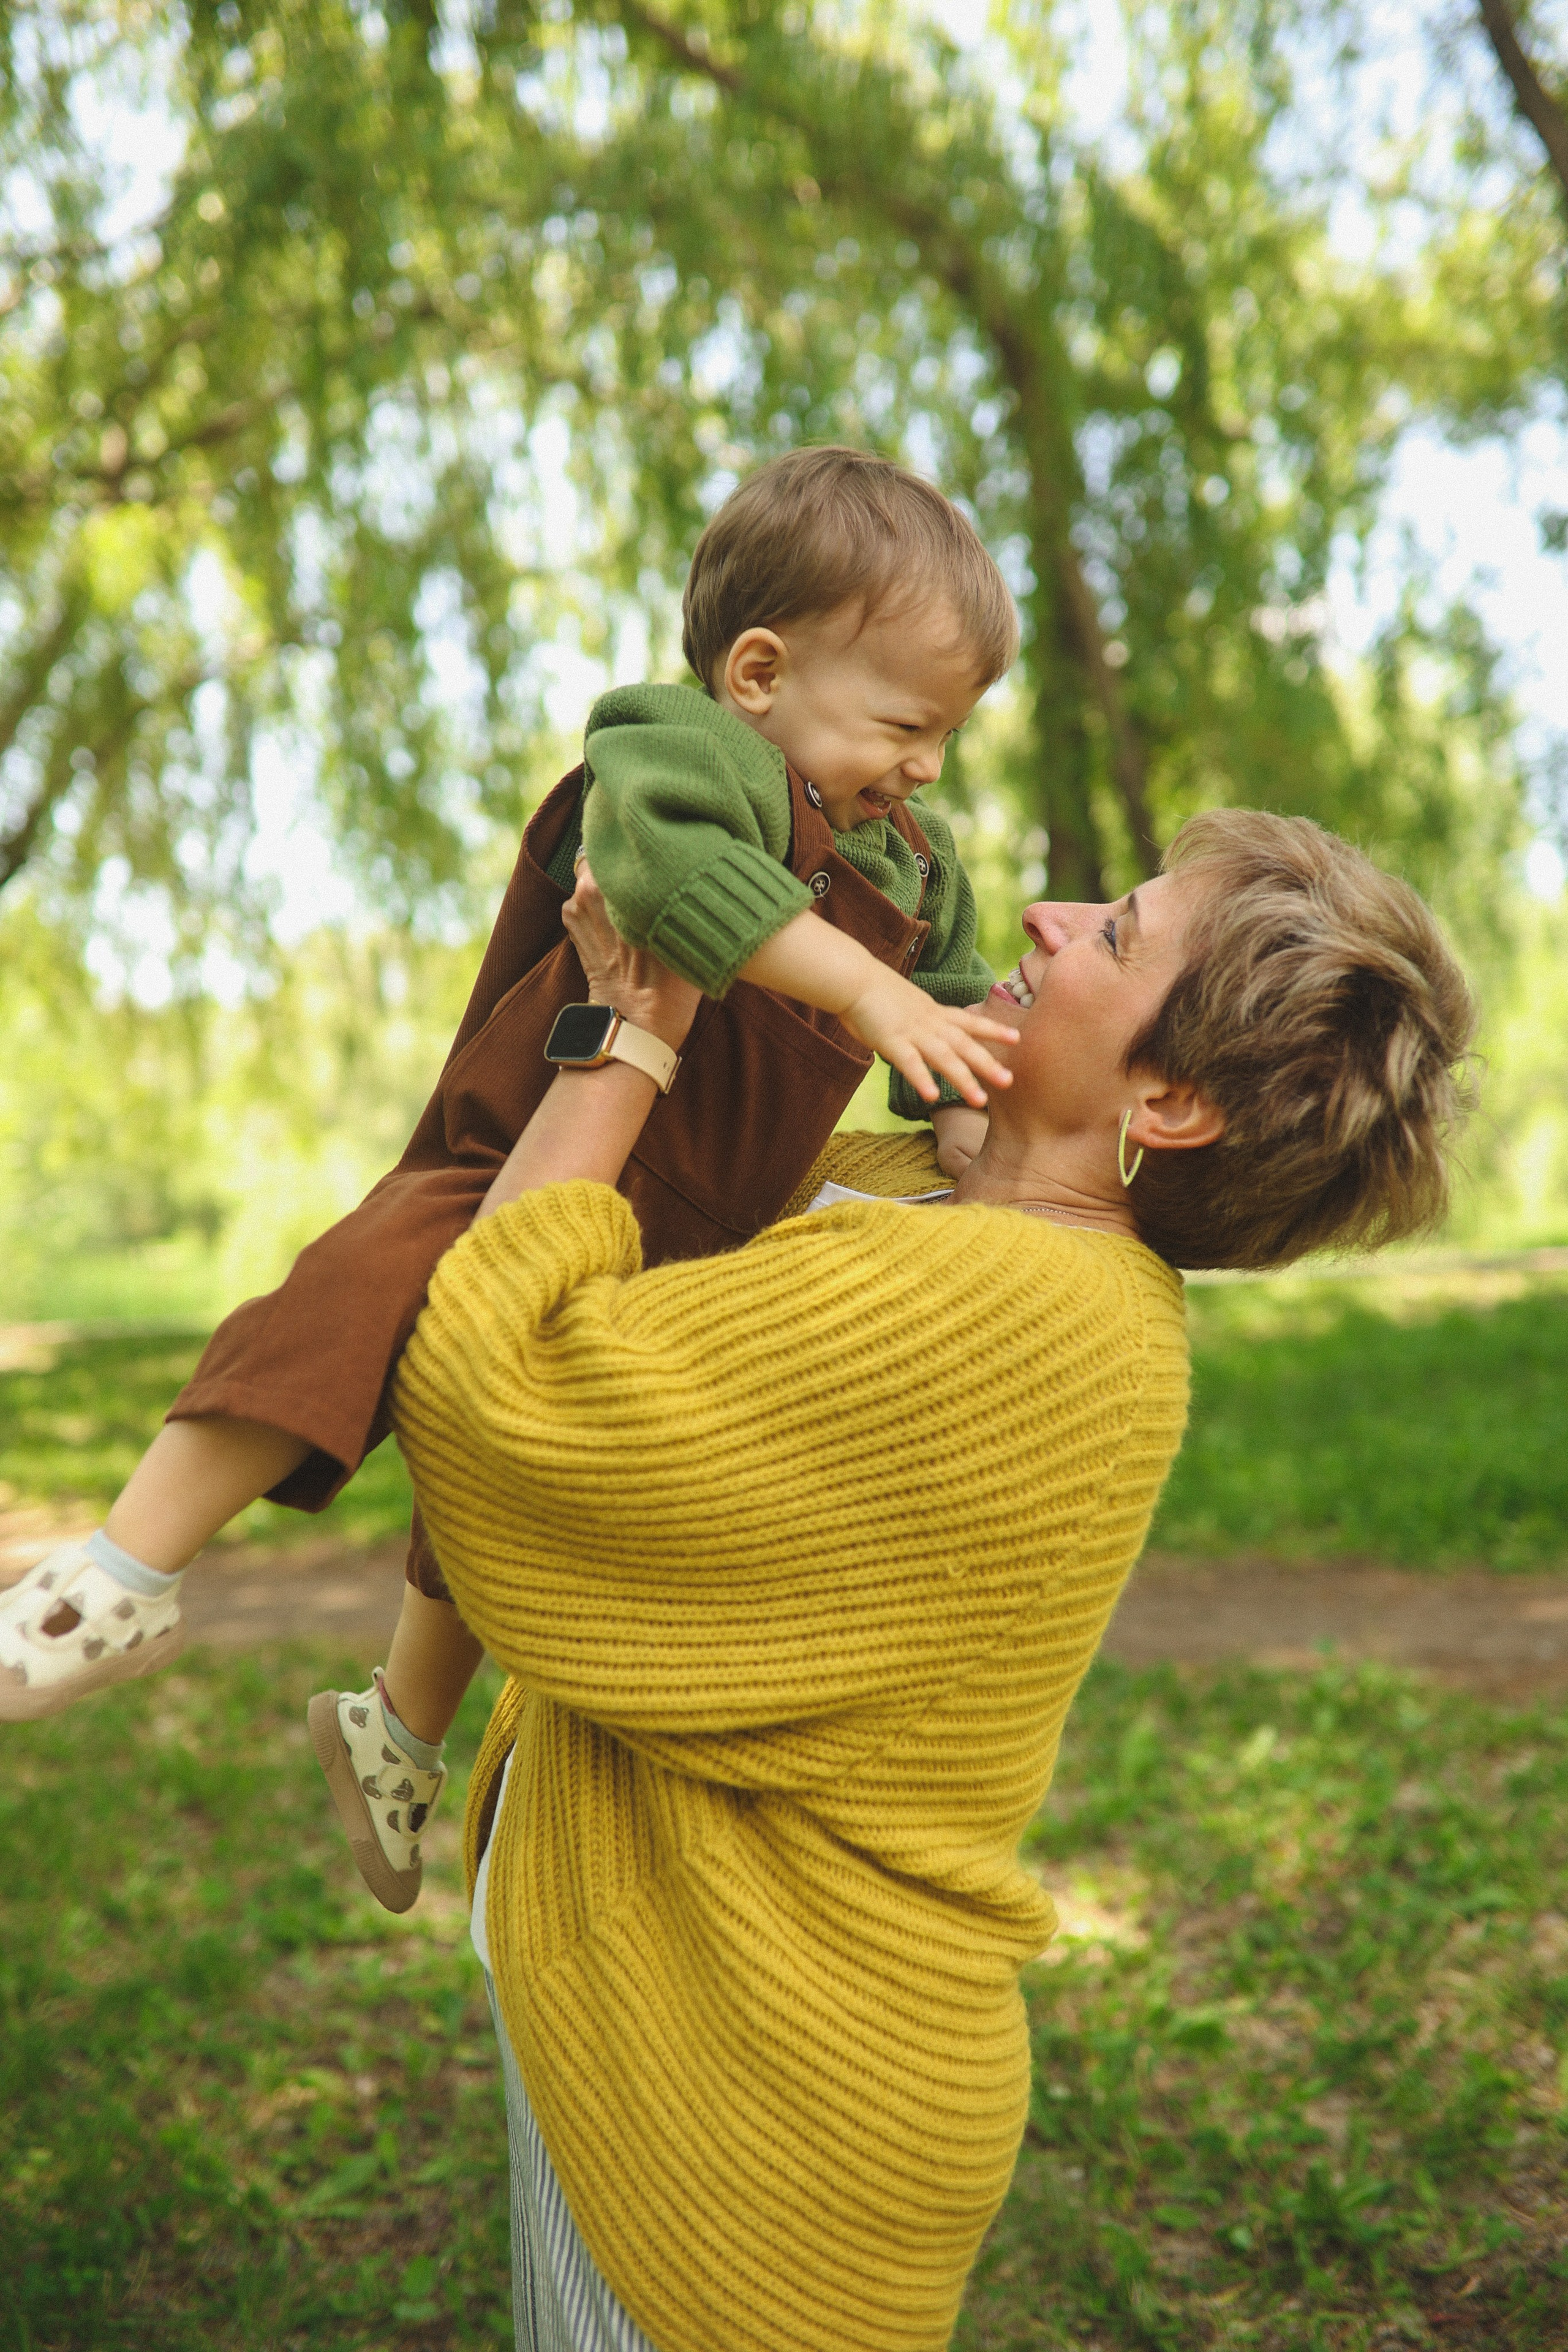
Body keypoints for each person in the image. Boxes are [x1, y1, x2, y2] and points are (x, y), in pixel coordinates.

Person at [390, 807, 1473, 2352]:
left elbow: (501, 1397)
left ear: (1164, 1102)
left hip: (739, 2074)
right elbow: (663, 1215)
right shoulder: (947, 1213)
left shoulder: (1012, 1307)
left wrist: (624, 1040)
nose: (1041, 913)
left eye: (1114, 934)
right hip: (708, 2016)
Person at [0, 449, 1020, 1906]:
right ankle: (124, 1572)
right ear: (755, 672)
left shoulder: (911, 869)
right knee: (353, 1294)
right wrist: (869, 998)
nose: (925, 767)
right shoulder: (679, 754)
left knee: (511, 1477)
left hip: (700, 1227)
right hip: (528, 1146)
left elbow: (953, 1021)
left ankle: (397, 1733)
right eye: (906, 723)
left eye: (947, 736)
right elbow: (678, 884)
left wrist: (971, 1111)